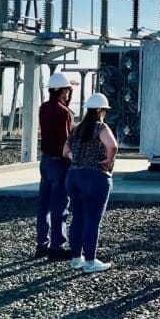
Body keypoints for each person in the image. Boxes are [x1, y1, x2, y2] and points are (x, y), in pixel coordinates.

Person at [64, 93, 118, 273]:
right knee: (92, 220)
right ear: (102, 110)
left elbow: (64, 152)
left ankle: (76, 259)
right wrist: (109, 160)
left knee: (78, 217)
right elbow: (112, 145)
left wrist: (77, 158)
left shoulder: (76, 129)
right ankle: (90, 261)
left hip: (73, 176)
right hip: (95, 177)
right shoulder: (101, 127)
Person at [35, 72, 77, 261]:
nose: (68, 93)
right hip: (59, 162)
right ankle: (57, 246)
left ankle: (41, 243)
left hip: (45, 161)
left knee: (44, 205)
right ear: (62, 91)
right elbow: (65, 141)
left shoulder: (44, 108)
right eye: (67, 90)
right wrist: (72, 160)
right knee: (60, 206)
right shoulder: (63, 112)